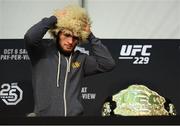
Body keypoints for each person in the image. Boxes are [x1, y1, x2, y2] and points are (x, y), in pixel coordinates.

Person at [24, 5, 115, 116]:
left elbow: (108, 64)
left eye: (76, 37)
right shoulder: (41, 52)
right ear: (57, 33)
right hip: (45, 120)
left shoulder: (81, 59)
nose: (70, 41)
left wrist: (90, 36)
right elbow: (30, 37)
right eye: (67, 35)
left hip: (74, 120)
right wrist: (53, 19)